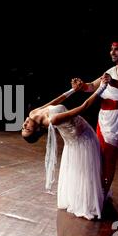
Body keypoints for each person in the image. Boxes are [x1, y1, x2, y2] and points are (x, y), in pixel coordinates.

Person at [21, 81, 108, 220]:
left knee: (79, 172)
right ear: (37, 129)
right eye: (28, 129)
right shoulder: (52, 120)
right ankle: (85, 201)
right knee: (83, 173)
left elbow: (55, 101)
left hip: (74, 137)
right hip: (82, 139)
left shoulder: (33, 113)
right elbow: (83, 107)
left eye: (23, 128)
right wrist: (102, 87)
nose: (24, 124)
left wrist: (72, 90)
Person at [71, 40, 118, 198]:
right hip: (103, 117)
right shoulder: (110, 70)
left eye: (116, 49)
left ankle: (102, 193)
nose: (112, 52)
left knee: (108, 157)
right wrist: (81, 86)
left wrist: (117, 83)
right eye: (111, 49)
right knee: (100, 155)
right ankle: (99, 189)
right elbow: (92, 86)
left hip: (117, 118)